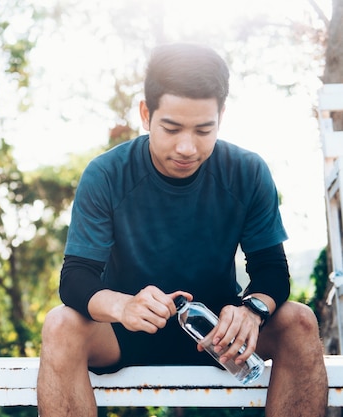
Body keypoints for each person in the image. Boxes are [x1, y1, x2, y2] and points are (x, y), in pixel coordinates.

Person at [37, 43, 328, 417]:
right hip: (124, 334)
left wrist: (250, 311)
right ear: (146, 114)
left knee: (299, 320)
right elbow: (75, 279)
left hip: (218, 335)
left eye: (204, 130)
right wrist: (124, 305)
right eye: (171, 129)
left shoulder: (248, 171)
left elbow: (271, 270)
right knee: (60, 323)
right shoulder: (106, 174)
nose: (187, 147)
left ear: (221, 115)